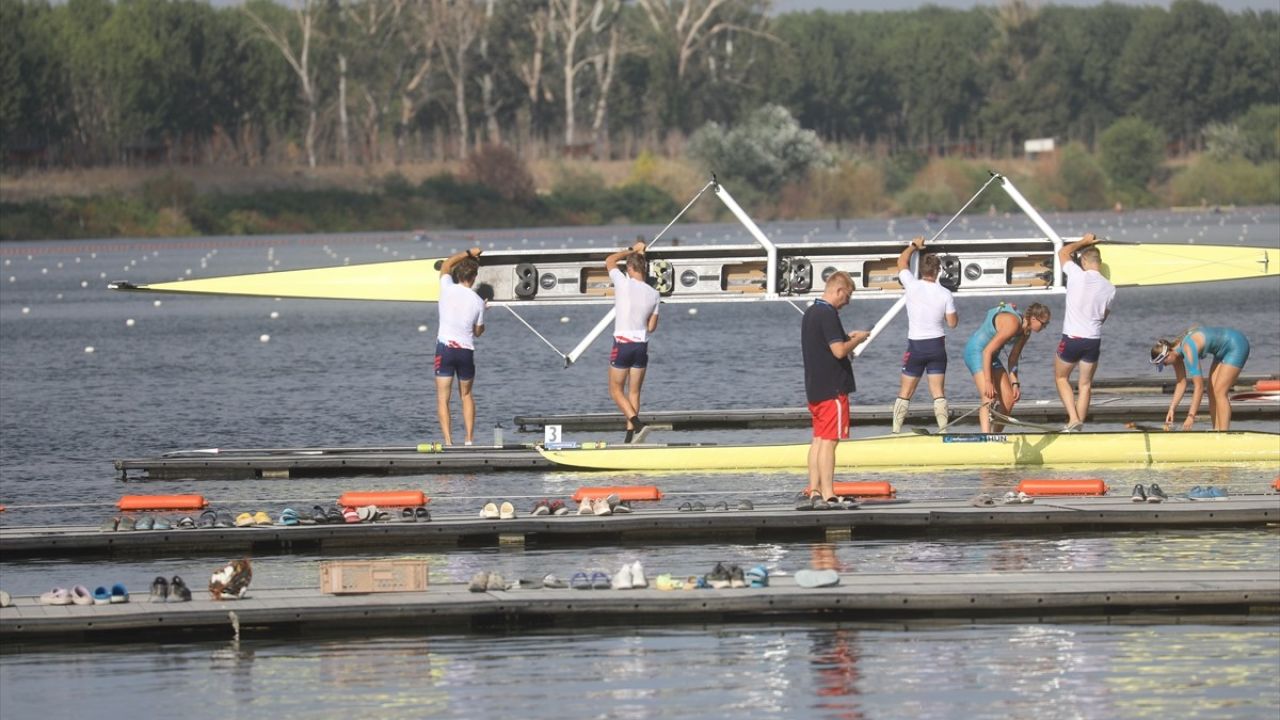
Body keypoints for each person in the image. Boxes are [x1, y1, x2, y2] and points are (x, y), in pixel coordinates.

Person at [802, 272, 870, 507]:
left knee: (819, 440)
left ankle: (815, 491)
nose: (848, 302)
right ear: (838, 291)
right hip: (832, 389)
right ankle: (829, 493)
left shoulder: (811, 312)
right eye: (848, 296)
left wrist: (847, 338)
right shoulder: (828, 313)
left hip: (815, 387)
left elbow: (828, 344)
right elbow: (840, 351)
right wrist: (858, 340)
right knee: (830, 441)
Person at [892, 236, 958, 433]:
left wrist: (913, 246)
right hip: (937, 347)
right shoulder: (945, 293)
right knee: (938, 392)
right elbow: (953, 324)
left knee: (905, 392)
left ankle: (895, 432)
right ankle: (944, 431)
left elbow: (901, 261)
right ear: (938, 271)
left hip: (916, 347)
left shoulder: (911, 284)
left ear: (921, 270)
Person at [1053, 232, 1115, 432]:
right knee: (1085, 384)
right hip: (1093, 339)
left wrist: (1084, 241)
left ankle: (1073, 419)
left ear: (1084, 262)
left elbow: (1063, 252)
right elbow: (1103, 316)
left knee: (1061, 378)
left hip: (1072, 337)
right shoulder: (1110, 288)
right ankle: (1079, 426)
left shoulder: (1076, 274)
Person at [963, 301, 1051, 433]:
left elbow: (1013, 358)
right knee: (989, 396)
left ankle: (996, 436)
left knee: (1009, 400)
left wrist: (1015, 383)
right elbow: (986, 351)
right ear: (1033, 318)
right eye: (1044, 323)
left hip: (991, 356)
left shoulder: (1026, 332)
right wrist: (988, 382)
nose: (1045, 327)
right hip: (977, 352)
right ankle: (986, 438)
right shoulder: (1012, 323)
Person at [605, 239, 660, 443]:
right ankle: (630, 439)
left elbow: (610, 260)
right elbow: (652, 327)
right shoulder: (654, 294)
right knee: (634, 392)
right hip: (641, 346)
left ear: (629, 268)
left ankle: (637, 424)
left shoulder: (623, 282)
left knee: (615, 390)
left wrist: (632, 250)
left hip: (623, 345)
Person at [1150, 327, 1250, 431]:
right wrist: (1171, 409)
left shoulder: (1187, 348)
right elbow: (1181, 383)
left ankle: (1224, 433)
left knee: (1220, 392)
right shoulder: (1175, 354)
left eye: (1164, 363)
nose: (1165, 366)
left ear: (1167, 355)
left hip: (1236, 345)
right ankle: (1216, 431)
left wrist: (1191, 416)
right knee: (1211, 391)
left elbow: (1199, 386)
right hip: (1221, 352)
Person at [434, 247, 486, 446]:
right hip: (465, 351)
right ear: (473, 277)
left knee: (442, 398)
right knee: (465, 395)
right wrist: (483, 314)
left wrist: (468, 252)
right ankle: (469, 440)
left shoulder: (447, 287)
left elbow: (446, 264)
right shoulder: (479, 302)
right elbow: (478, 332)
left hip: (445, 349)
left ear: (457, 275)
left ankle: (448, 442)